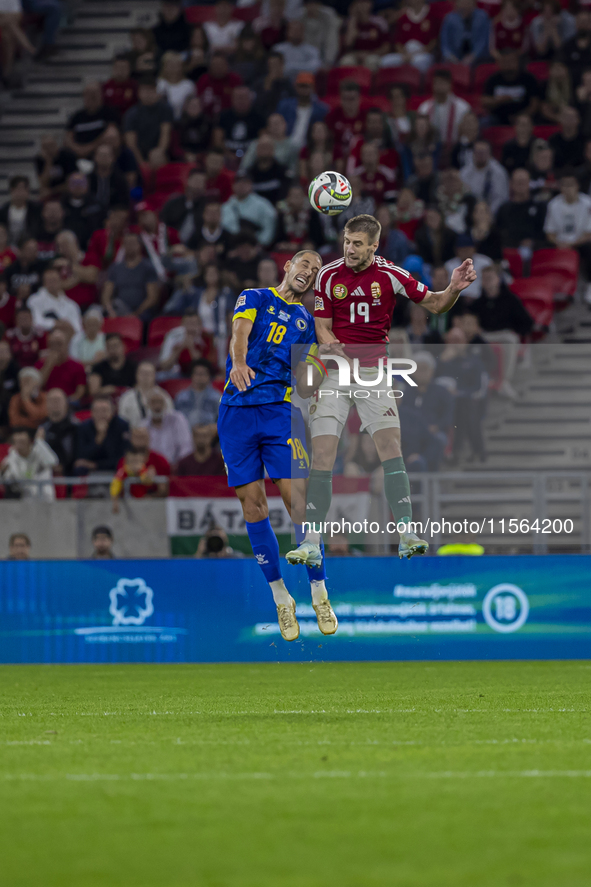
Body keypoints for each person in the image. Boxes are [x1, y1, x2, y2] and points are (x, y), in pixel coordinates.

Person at [286, 213, 476, 568]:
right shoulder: (328, 275)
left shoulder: (391, 275)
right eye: (346, 242)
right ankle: (312, 540)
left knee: (391, 448)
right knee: (323, 453)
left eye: (358, 244)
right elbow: (322, 326)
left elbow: (435, 304)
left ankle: (406, 532)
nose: (350, 249)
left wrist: (452, 289)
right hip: (334, 373)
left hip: (374, 372)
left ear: (374, 245)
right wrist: (329, 345)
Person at [217, 248, 335, 641]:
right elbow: (240, 334)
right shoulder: (254, 296)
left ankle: (319, 589)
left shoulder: (306, 322)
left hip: (278, 413)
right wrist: (237, 362)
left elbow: (304, 381)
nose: (310, 272)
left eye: (316, 271)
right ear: (288, 266)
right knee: (253, 506)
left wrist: (322, 365)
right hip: (236, 412)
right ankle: (281, 597)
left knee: (295, 499)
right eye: (305, 264)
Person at [470, 263, 533, 396]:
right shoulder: (477, 304)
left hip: (504, 334)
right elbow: (470, 321)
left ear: (498, 279)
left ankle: (504, 381)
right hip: (484, 335)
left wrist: (515, 330)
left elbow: (527, 322)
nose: (487, 282)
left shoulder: (511, 300)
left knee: (510, 340)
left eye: (490, 278)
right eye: (485, 279)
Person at [544, 170, 591, 302]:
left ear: (577, 186)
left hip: (580, 242)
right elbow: (549, 233)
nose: (568, 189)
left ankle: (589, 284)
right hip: (560, 243)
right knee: (540, 246)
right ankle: (554, 286)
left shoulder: (588, 203)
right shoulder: (553, 205)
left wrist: (571, 244)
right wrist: (560, 243)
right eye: (564, 185)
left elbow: (589, 233)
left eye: (571, 185)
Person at [101, 232, 160, 319]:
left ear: (139, 245)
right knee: (95, 311)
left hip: (140, 313)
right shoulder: (115, 268)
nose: (129, 246)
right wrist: (110, 310)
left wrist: (135, 314)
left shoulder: (148, 268)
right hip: (117, 310)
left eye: (132, 243)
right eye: (126, 243)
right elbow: (106, 294)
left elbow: (152, 298)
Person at [123, 76, 174, 167]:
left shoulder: (165, 109)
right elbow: (131, 143)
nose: (148, 94)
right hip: (139, 154)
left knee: (157, 157)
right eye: (144, 91)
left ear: (156, 91)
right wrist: (141, 162)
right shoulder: (131, 113)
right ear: (139, 93)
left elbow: (165, 133)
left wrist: (159, 151)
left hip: (157, 153)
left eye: (151, 90)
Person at [482, 50, 540, 126]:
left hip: (524, 117)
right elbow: (484, 100)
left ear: (518, 62)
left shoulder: (529, 79)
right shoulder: (493, 79)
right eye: (505, 61)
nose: (508, 64)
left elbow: (535, 104)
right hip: (497, 118)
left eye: (511, 61)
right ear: (499, 63)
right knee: (483, 122)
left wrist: (521, 116)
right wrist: (499, 101)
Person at [74, 395, 129, 474]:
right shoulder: (84, 427)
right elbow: (81, 456)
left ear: (113, 411)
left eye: (104, 410)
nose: (101, 414)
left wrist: (95, 465)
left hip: (115, 471)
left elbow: (121, 458)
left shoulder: (122, 426)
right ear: (92, 412)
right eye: (97, 411)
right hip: (89, 472)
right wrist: (98, 440)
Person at [1, 426, 58, 501]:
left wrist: (40, 441)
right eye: (17, 442)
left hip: (45, 499)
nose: (20, 445)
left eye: (22, 442)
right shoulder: (10, 460)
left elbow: (53, 462)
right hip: (26, 502)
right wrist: (3, 472)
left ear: (29, 441)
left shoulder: (39, 453)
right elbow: (8, 480)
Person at [64, 82, 119, 160]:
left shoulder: (109, 113)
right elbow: (68, 140)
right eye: (88, 94)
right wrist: (79, 150)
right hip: (78, 157)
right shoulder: (76, 117)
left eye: (94, 94)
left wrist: (89, 148)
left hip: (101, 156)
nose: (92, 97)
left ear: (101, 95)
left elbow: (111, 135)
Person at [221, 172, 277, 247]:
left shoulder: (263, 205)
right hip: (231, 247)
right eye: (238, 182)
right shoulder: (225, 207)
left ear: (251, 185)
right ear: (233, 185)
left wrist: (260, 244)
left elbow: (269, 228)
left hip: (254, 247)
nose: (241, 185)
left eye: (245, 182)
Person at [418, 70, 470, 149]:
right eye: (436, 83)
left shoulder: (463, 107)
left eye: (442, 83)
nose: (439, 86)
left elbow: (469, 132)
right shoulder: (424, 108)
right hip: (431, 150)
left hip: (456, 149)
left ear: (450, 85)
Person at [496, 168, 547, 249]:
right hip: (510, 251)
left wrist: (534, 242)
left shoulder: (540, 207)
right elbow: (499, 233)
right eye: (518, 182)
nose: (521, 185)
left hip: (536, 251)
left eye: (523, 182)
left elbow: (545, 232)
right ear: (511, 184)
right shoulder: (504, 209)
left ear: (529, 183)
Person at [276, 71, 328, 149]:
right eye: (301, 86)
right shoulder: (285, 106)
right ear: (296, 87)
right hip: (285, 146)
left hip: (309, 149)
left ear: (313, 88)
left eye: (307, 86)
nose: (304, 89)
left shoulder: (321, 110)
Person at [216, 85, 266, 167]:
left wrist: (249, 157)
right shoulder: (224, 116)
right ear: (232, 99)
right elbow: (217, 141)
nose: (241, 101)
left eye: (243, 98)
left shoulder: (259, 117)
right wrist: (228, 155)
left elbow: (264, 140)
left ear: (250, 99)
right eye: (238, 98)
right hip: (227, 158)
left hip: (252, 159)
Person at [140, 388, 192, 466]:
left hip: (175, 467)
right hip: (150, 470)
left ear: (166, 403)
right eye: (153, 402)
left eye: (160, 402)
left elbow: (186, 446)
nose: (157, 406)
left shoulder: (178, 419)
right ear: (147, 405)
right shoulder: (143, 425)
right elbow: (141, 452)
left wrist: (179, 465)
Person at [383, 0, 438, 73]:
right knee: (385, 61)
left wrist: (421, 52)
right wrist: (404, 55)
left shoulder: (431, 15)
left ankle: (419, 83)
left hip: (422, 54)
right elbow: (398, 43)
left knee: (420, 62)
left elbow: (433, 42)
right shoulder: (403, 17)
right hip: (405, 53)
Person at [35, 328, 86, 403]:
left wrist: (65, 402)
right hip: (45, 402)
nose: (55, 347)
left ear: (67, 345)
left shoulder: (77, 366)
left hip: (69, 402)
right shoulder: (40, 364)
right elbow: (36, 387)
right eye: (52, 344)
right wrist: (49, 365)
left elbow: (80, 391)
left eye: (59, 344)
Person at [158, 310, 216, 376]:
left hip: (200, 377)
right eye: (188, 323)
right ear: (182, 324)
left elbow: (205, 368)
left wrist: (191, 348)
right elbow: (164, 365)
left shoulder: (207, 338)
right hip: (176, 374)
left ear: (200, 325)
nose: (191, 328)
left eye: (194, 324)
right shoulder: (173, 336)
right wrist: (180, 349)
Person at [27, 266, 83, 335]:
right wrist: (55, 324)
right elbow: (35, 321)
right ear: (44, 283)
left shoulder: (71, 305)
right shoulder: (34, 300)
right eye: (49, 281)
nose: (52, 284)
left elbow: (77, 329)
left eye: (54, 280)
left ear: (60, 281)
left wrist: (67, 327)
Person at [109, 445, 167, 511]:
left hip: (142, 505)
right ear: (126, 461)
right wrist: (115, 501)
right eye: (132, 462)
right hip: (126, 505)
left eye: (137, 462)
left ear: (143, 461)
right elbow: (115, 487)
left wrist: (149, 476)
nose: (135, 465)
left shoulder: (143, 471)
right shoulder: (122, 472)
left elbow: (148, 482)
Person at [460, 140, 510, 215]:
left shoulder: (498, 173)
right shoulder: (465, 172)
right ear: (473, 153)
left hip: (491, 213)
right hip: (469, 212)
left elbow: (501, 199)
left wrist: (487, 214)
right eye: (478, 152)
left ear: (490, 154)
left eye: (483, 152)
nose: (480, 155)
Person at [118, 362, 173, 428]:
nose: (146, 376)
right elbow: (122, 422)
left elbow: (170, 419)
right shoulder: (126, 398)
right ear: (136, 375)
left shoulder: (163, 397)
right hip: (134, 435)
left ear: (154, 375)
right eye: (143, 373)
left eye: (149, 373)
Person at [160, 170, 207, 244]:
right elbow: (162, 225)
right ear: (187, 181)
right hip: (171, 246)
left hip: (196, 249)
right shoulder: (172, 204)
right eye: (196, 180)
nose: (198, 184)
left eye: (202, 182)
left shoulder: (207, 207)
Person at [339, 0, 389, 71]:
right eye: (358, 2)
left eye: (364, 2)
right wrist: (353, 18)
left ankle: (371, 82)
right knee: (346, 62)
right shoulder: (349, 22)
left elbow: (386, 47)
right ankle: (350, 82)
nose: (361, 5)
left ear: (370, 4)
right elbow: (348, 44)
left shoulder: (380, 22)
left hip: (373, 54)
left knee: (372, 61)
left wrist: (369, 54)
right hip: (354, 55)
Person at [40, 387, 77, 475]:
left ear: (66, 403)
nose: (55, 403)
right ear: (46, 404)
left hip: (72, 473)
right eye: (52, 400)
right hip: (47, 473)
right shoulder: (42, 429)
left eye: (58, 400)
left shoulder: (77, 427)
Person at [174, 359, 221, 428]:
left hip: (208, 433)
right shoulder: (181, 397)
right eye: (197, 374)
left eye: (203, 374)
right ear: (192, 375)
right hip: (185, 432)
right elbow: (175, 418)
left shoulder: (217, 397)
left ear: (209, 376)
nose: (199, 377)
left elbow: (221, 419)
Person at [245, 134, 290, 206]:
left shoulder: (282, 171)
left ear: (273, 150)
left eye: (267, 147)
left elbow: (285, 197)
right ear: (256, 150)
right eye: (261, 147)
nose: (264, 151)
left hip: (277, 210)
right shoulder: (249, 173)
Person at [88, 333, 137, 397]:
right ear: (106, 349)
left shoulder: (134, 367)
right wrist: (105, 390)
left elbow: (140, 388)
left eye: (116, 345)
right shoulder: (98, 368)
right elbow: (93, 391)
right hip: (106, 401)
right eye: (109, 347)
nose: (113, 349)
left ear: (123, 346)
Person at [0, 176, 41, 247]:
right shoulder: (4, 210)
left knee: (31, 245)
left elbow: (35, 229)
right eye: (19, 189)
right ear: (12, 190)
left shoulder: (35, 209)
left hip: (27, 243)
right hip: (7, 243)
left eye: (25, 189)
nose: (22, 193)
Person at [88, 144, 130, 211]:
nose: (104, 158)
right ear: (95, 157)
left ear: (113, 158)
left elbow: (124, 203)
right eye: (101, 155)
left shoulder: (120, 180)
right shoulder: (88, 179)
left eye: (107, 155)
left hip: (113, 214)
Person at [157, 51, 195, 121]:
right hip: (161, 121)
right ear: (164, 67)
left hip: (183, 122)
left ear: (182, 67)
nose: (173, 68)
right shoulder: (159, 83)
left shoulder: (188, 85)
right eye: (170, 65)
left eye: (176, 65)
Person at [549, 106, 586, 171]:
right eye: (566, 117)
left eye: (572, 117)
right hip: (558, 176)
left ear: (578, 120)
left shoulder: (585, 141)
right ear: (560, 119)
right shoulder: (553, 140)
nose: (569, 120)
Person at [102, 55, 138, 121]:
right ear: (113, 68)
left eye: (124, 68)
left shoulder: (135, 86)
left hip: (130, 121)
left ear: (129, 69)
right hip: (109, 122)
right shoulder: (105, 86)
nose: (121, 71)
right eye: (118, 67)